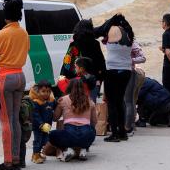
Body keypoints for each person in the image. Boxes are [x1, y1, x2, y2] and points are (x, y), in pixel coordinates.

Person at [0, 0, 30, 170]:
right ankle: (17, 157)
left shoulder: (3, 34)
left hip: (5, 77)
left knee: (6, 120)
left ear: (5, 16)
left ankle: (9, 160)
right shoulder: (23, 33)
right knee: (15, 119)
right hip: (20, 75)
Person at [99, 14, 135, 142]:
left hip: (112, 70)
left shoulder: (112, 30)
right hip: (126, 70)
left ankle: (114, 133)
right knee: (120, 102)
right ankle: (122, 132)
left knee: (112, 103)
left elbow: (99, 31)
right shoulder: (129, 33)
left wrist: (108, 23)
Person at [47, 77, 97, 161]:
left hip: (69, 136)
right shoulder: (90, 101)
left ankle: (68, 149)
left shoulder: (63, 100)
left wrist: (56, 107)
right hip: (86, 136)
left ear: (69, 87)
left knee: (52, 135)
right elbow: (94, 122)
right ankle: (83, 149)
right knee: (92, 130)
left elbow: (55, 118)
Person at [60, 19, 106, 102]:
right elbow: (101, 63)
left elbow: (67, 62)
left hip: (75, 81)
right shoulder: (95, 44)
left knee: (75, 104)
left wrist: (64, 76)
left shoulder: (74, 44)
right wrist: (100, 78)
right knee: (91, 104)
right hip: (92, 81)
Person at [24, 81, 55, 164]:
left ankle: (38, 154)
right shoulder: (36, 102)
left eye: (48, 91)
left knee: (45, 141)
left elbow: (54, 105)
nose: (46, 93)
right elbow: (35, 115)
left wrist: (59, 101)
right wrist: (41, 124)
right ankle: (35, 155)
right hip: (38, 126)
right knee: (38, 140)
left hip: (47, 126)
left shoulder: (50, 101)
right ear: (38, 91)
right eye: (43, 91)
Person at [124, 39, 147, 134]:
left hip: (129, 73)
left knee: (130, 100)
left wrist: (130, 60)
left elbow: (143, 58)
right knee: (129, 100)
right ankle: (128, 124)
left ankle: (129, 125)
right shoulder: (113, 41)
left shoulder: (132, 42)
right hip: (119, 73)